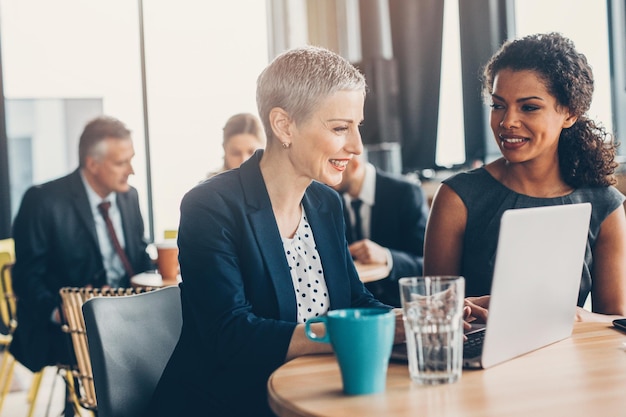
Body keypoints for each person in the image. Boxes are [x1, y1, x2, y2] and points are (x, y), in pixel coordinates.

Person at [144, 46, 406, 417]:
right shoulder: (210, 207)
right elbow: (230, 334)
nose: (357, 146)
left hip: (310, 393)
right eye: (339, 128)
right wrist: (355, 334)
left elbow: (353, 301)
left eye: (357, 126)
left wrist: (420, 317)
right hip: (228, 404)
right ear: (284, 125)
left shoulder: (325, 203)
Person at [424, 32, 626, 318]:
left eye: (529, 107)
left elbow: (615, 323)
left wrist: (577, 316)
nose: (507, 122)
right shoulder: (458, 198)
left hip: (572, 359)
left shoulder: (605, 205)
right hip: (479, 359)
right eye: (498, 105)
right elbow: (432, 315)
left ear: (569, 114)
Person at [10, 115, 154, 373]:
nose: (131, 170)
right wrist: (61, 311)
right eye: (122, 162)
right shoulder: (43, 201)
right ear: (92, 164)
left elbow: (139, 255)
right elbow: (26, 277)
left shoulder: (129, 197)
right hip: (70, 327)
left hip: (128, 314)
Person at [332, 154, 429, 306]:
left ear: (354, 165)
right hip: (356, 307)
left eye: (335, 166)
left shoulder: (406, 193)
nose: (327, 178)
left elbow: (428, 265)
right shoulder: (330, 198)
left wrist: (387, 256)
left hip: (403, 304)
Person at [206, 112, 266, 178]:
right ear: (225, 150)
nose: (244, 160)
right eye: (236, 153)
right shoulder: (210, 186)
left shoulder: (275, 183)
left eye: (252, 152)